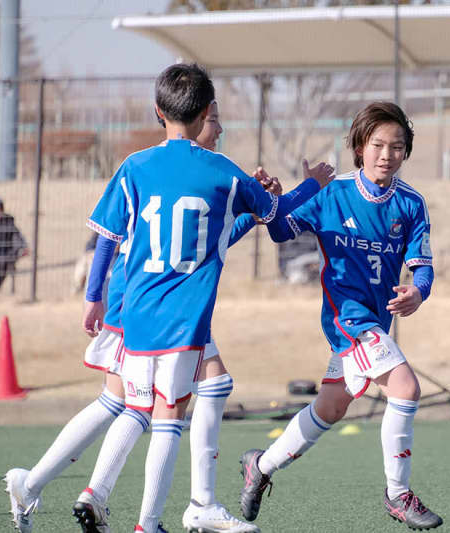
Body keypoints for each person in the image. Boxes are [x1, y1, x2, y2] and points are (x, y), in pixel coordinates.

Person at [2, 98, 299, 533]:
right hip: (151, 301)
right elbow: (116, 236)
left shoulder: (180, 170)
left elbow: (201, 241)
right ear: (196, 118)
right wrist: (288, 193)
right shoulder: (188, 166)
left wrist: (243, 209)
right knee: (147, 405)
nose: (218, 130)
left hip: (144, 297)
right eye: (214, 121)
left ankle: (61, 490)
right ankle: (169, 508)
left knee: (131, 400)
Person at [78, 63, 333, 533]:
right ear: (209, 112)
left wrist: (94, 296)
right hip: (183, 318)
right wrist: (312, 183)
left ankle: (98, 494)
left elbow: (106, 237)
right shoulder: (222, 172)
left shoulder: (134, 166)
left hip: (134, 314)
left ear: (159, 111)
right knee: (166, 419)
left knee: (163, 401)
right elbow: (278, 219)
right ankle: (151, 523)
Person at [237, 102, 442, 530]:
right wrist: (282, 196)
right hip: (346, 320)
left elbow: (423, 265)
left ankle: (261, 465)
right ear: (359, 147)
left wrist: (418, 293)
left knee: (330, 408)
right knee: (405, 387)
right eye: (378, 145)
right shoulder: (334, 193)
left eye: (398, 146)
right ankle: (398, 495)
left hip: (373, 322)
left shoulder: (411, 204)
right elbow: (279, 231)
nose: (387, 154)